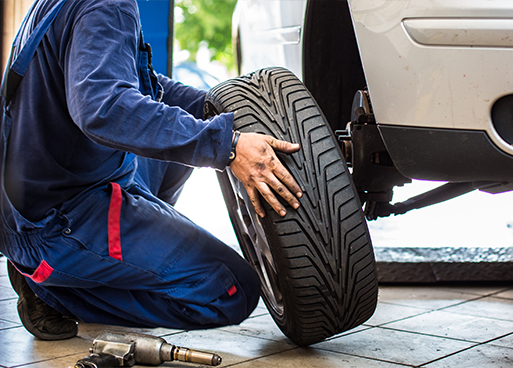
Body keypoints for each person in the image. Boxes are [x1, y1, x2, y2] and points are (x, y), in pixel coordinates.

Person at [0, 0, 302, 340]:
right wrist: (227, 148)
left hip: (41, 195)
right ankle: (51, 287)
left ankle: (123, 259)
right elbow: (105, 108)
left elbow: (135, 82)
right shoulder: (108, 5)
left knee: (173, 142)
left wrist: (212, 109)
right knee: (233, 290)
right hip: (59, 219)